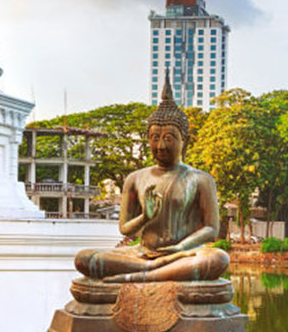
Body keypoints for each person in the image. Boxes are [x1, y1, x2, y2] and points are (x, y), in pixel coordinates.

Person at [74, 72, 229, 284]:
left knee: (218, 258)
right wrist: (145, 217)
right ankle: (153, 269)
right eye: (155, 138)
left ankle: (144, 274)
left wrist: (181, 247)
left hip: (182, 254)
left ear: (185, 140)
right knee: (85, 258)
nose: (161, 146)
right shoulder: (136, 178)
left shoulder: (200, 179)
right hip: (141, 254)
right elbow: (125, 229)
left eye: (169, 138)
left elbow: (211, 230)